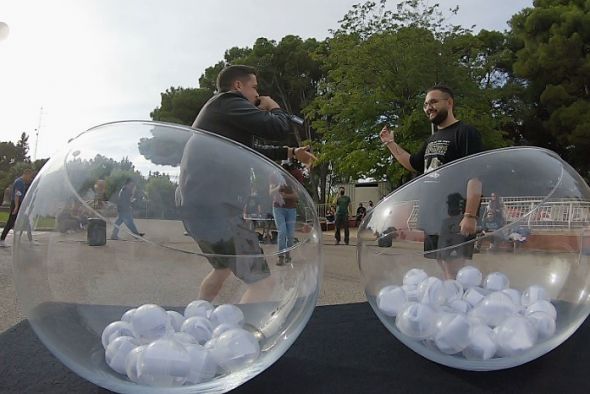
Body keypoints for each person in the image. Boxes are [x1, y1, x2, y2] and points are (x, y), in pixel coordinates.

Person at [179, 64, 316, 303]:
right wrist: (274, 107)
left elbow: (251, 150)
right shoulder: (228, 101)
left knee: (221, 269)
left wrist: (292, 152)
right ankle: (241, 337)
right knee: (264, 283)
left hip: (197, 205)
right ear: (238, 85)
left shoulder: (221, 116)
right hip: (218, 209)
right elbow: (278, 127)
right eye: (254, 88)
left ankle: (196, 318)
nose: (257, 95)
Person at [379, 85, 483, 278]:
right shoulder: (432, 139)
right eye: (426, 104)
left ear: (449, 102)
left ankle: (461, 304)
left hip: (454, 213)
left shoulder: (465, 132)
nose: (428, 107)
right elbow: (412, 163)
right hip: (433, 213)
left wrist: (470, 215)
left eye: (434, 102)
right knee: (442, 263)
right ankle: (453, 301)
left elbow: (475, 177)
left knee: (455, 269)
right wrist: (389, 143)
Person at [269, 168, 298, 266]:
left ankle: (287, 253)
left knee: (290, 235)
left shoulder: (291, 179)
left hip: (291, 209)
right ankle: (280, 256)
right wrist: (278, 187)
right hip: (278, 208)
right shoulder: (274, 176)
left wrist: (284, 196)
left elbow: (296, 195)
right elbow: (271, 192)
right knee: (282, 232)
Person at [0, 169, 34, 247]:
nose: (30, 179)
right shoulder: (19, 182)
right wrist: (16, 207)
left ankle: (30, 240)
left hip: (19, 204)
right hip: (17, 203)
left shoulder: (21, 182)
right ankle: (2, 239)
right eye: (30, 176)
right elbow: (17, 195)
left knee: (26, 221)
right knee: (11, 222)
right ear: (26, 174)